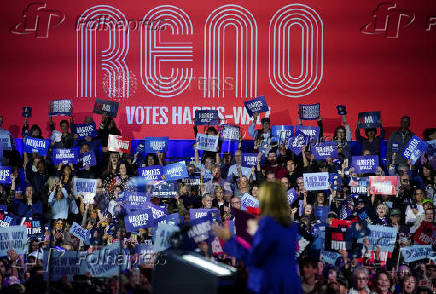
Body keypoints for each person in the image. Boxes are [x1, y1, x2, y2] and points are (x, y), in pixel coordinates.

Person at [213, 181, 301, 294]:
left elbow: (255, 258)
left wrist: (229, 240)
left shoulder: (267, 225)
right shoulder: (290, 226)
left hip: (270, 285)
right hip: (290, 284)